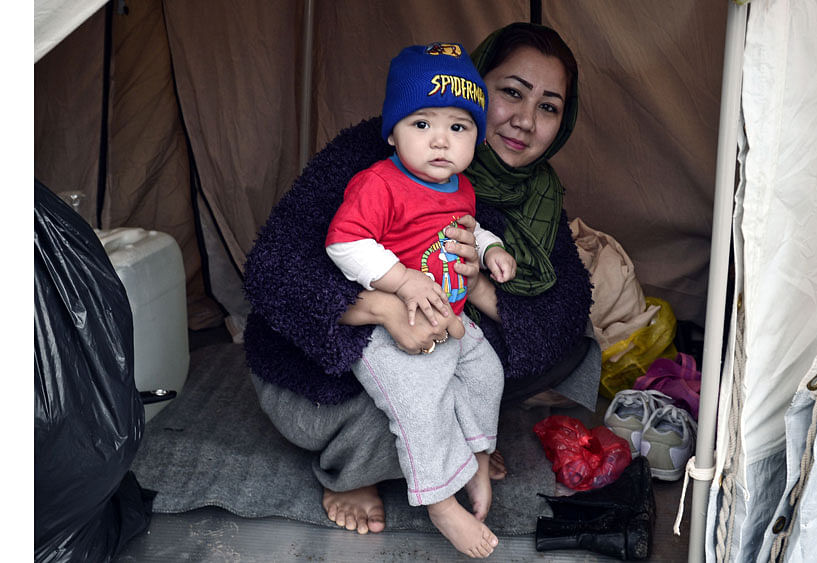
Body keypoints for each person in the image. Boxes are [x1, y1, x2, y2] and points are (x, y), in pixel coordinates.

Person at [242, 21, 596, 547]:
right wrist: (383, 308)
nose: (524, 120)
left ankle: (460, 448)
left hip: (442, 344)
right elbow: (273, 268)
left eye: (548, 106)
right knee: (407, 406)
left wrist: (479, 289)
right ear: (476, 85)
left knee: (555, 352)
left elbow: (562, 314)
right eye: (512, 93)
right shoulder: (381, 152)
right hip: (334, 370)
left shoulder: (537, 194)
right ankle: (360, 473)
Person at [324, 42, 516, 558]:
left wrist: (490, 248)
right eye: (421, 124)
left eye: (458, 127)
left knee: (486, 374)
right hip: (393, 327)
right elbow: (345, 242)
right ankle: (439, 502)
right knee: (421, 404)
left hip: (451, 316)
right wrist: (405, 281)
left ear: (477, 136)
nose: (440, 141)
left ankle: (477, 456)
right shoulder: (379, 183)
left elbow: (467, 232)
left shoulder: (461, 188)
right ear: (393, 132)